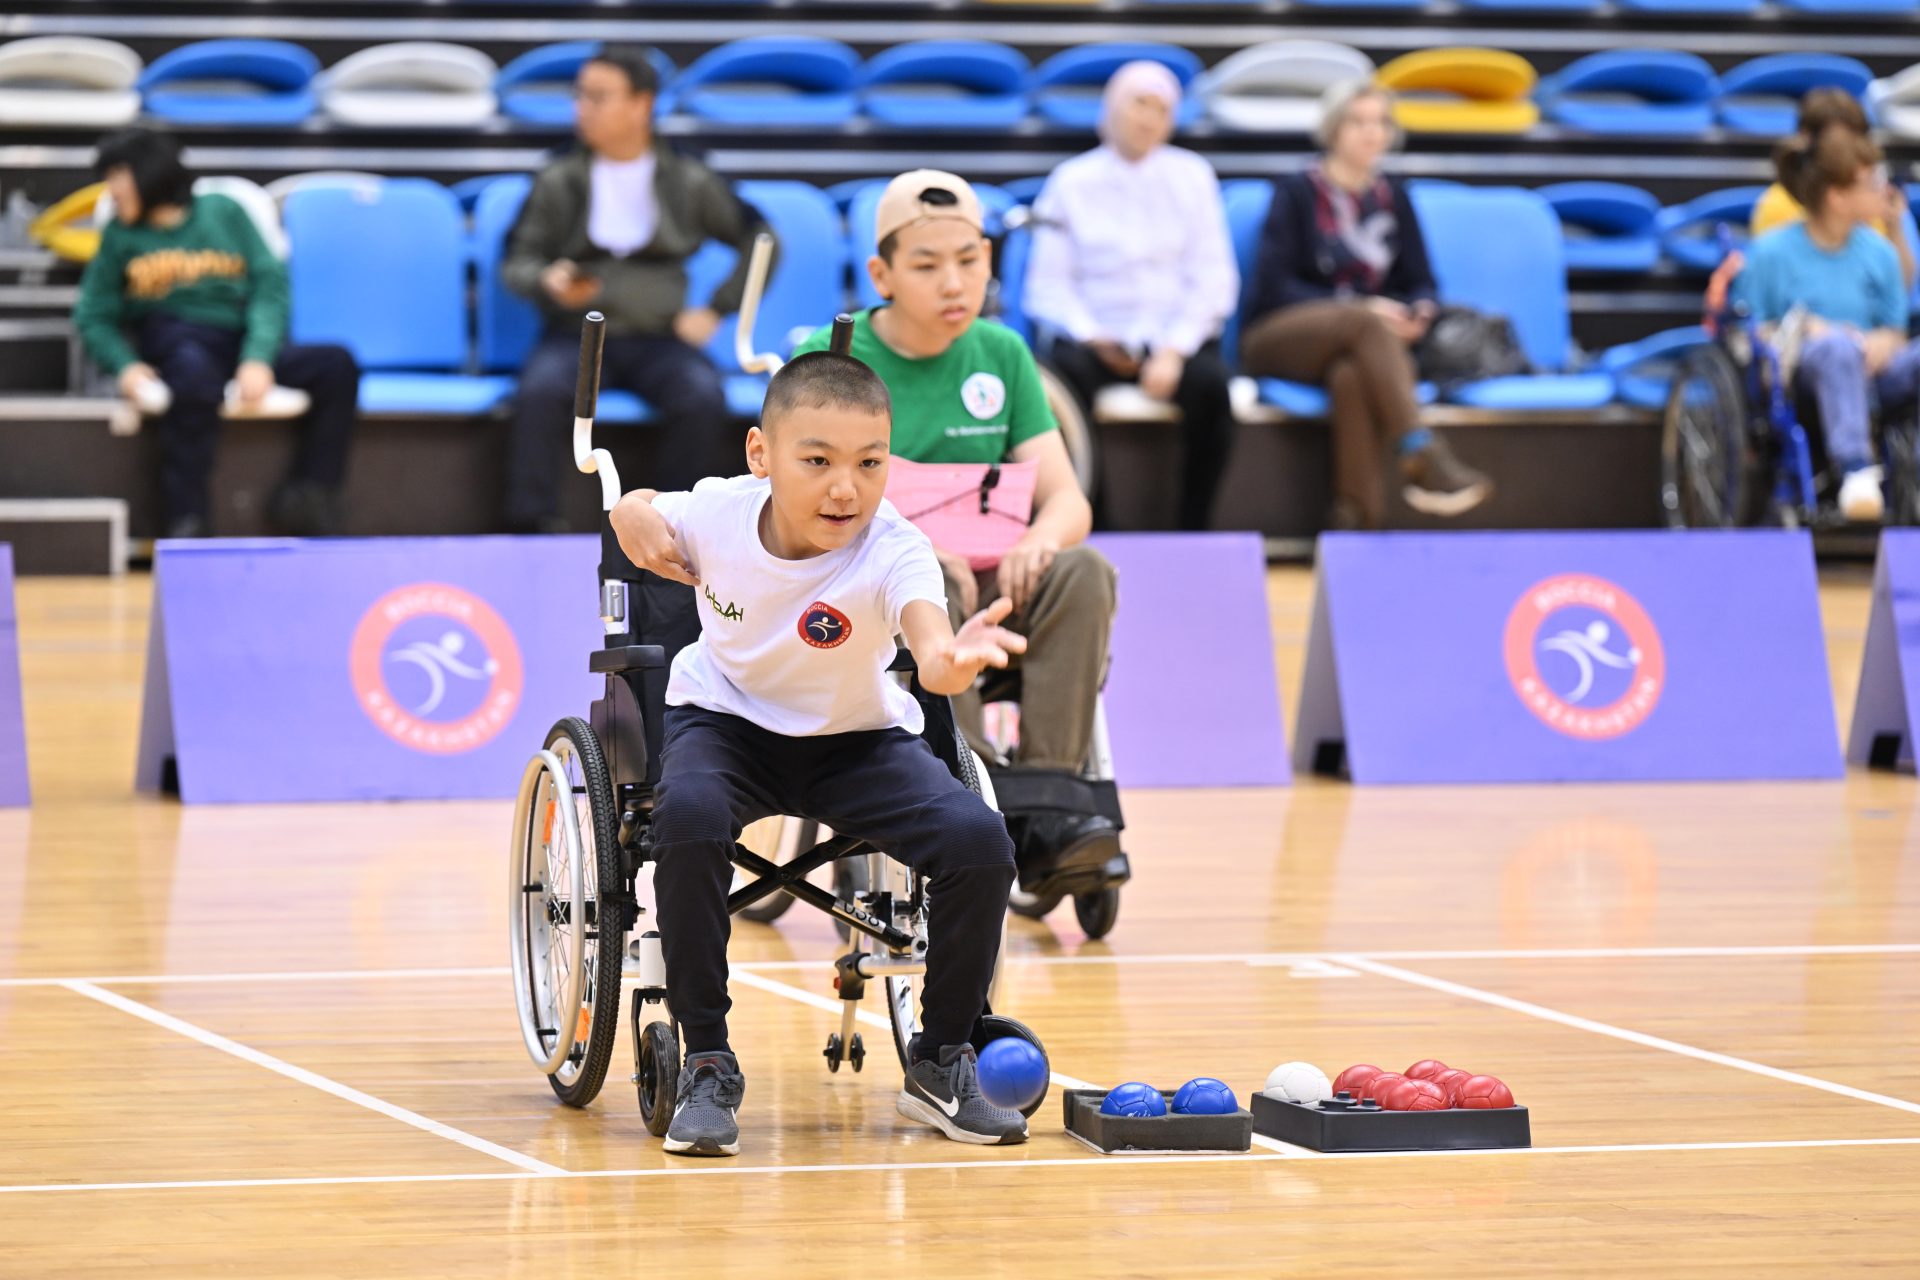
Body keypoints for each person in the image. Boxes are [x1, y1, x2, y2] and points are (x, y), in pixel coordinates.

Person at [608, 350, 1032, 1155]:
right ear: (760, 456)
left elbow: (932, 651)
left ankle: (941, 1062)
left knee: (979, 840)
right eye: (819, 461)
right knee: (689, 818)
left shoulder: (895, 548)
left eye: (870, 463)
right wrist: (629, 508)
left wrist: (952, 661)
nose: (847, 487)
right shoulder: (720, 513)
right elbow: (640, 509)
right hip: (726, 726)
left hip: (857, 742)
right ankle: (706, 1058)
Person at [790, 170, 1124, 902]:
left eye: (970, 261)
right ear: (881, 274)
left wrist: (1042, 536)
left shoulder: (1002, 354)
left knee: (1084, 570)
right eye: (927, 264)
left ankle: (1048, 810)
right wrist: (910, 550)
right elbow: (797, 498)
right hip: (877, 591)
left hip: (996, 583)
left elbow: (1067, 496)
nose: (954, 282)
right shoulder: (837, 353)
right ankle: (968, 795)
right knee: (927, 581)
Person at [502, 45, 773, 532]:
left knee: (701, 396)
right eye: (580, 95)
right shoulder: (558, 176)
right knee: (538, 393)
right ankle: (532, 525)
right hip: (576, 336)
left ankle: (681, 526)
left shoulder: (689, 177)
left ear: (641, 104)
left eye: (599, 96)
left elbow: (761, 240)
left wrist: (716, 310)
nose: (581, 107)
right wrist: (548, 279)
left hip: (659, 337)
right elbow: (518, 259)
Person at [73, 127, 357, 538]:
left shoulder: (224, 211)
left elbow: (269, 286)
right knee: (192, 375)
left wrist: (258, 356)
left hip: (237, 337)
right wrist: (125, 366)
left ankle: (309, 496)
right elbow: (92, 314)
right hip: (176, 339)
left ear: (150, 172)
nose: (111, 189)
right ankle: (189, 520)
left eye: (118, 174)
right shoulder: (121, 235)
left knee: (337, 364)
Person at [1239, 81, 1491, 530]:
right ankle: (1419, 448)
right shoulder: (1296, 191)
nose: (1370, 133)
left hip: (1361, 343)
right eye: (1358, 121)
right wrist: (1364, 308)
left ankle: (1356, 522)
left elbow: (1422, 280)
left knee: (1351, 376)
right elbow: (1274, 287)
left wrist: (1419, 310)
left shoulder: (1394, 195)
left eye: (1379, 122)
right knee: (1364, 324)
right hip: (1277, 336)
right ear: (1334, 127)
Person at [1024, 60, 1240, 531]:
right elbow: (1046, 287)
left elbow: (1214, 279)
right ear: (1110, 111)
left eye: (1161, 108)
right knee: (1058, 392)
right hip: (1094, 340)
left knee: (1213, 390)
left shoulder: (1194, 176)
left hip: (1172, 341)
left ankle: (1194, 527)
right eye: (1138, 103)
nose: (1148, 117)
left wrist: (1174, 348)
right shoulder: (1070, 182)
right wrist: (1092, 335)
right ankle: (1091, 522)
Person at [1738, 126, 1916, 523]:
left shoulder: (1882, 254)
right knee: (1836, 348)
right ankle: (1856, 472)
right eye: (1871, 183)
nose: (1882, 191)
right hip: (1806, 377)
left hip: (1876, 374)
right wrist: (1806, 330)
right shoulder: (1771, 253)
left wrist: (1883, 342)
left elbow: (1896, 329)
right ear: (1837, 197)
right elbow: (1753, 335)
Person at [1750, 89, 1914, 292]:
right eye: (1841, 143)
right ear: (1808, 140)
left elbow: (1900, 289)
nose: (1854, 152)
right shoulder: (1776, 208)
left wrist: (1894, 227)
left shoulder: (1882, 200)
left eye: (1860, 140)